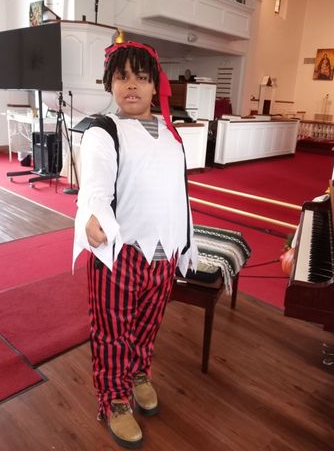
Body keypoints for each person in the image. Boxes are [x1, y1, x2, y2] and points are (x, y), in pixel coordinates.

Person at [73, 41, 197, 449]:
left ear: (154, 84)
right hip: (120, 253)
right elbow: (95, 180)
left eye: (141, 78)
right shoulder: (103, 130)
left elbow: (179, 190)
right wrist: (93, 213)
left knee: (147, 324)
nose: (132, 86)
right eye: (122, 77)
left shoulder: (172, 133)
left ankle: (139, 371)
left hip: (164, 251)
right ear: (110, 83)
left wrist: (188, 240)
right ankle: (114, 399)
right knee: (112, 330)